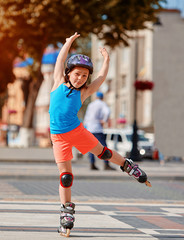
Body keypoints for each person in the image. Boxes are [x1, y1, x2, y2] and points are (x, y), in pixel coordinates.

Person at [49, 32, 150, 236]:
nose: (80, 79)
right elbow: (60, 60)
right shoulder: (58, 82)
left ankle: (127, 165)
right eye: (77, 74)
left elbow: (102, 78)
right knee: (66, 177)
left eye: (84, 76)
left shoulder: (83, 92)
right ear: (68, 73)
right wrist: (68, 43)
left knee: (103, 153)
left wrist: (107, 60)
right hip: (58, 137)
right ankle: (66, 212)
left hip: (77, 132)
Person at [83, 91, 115, 170]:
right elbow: (107, 112)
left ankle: (92, 164)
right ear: (102, 97)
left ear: (96, 97)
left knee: (91, 147)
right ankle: (106, 164)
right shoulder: (102, 104)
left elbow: (86, 117)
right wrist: (104, 120)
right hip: (97, 128)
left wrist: (85, 127)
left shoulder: (91, 104)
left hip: (89, 128)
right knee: (103, 147)